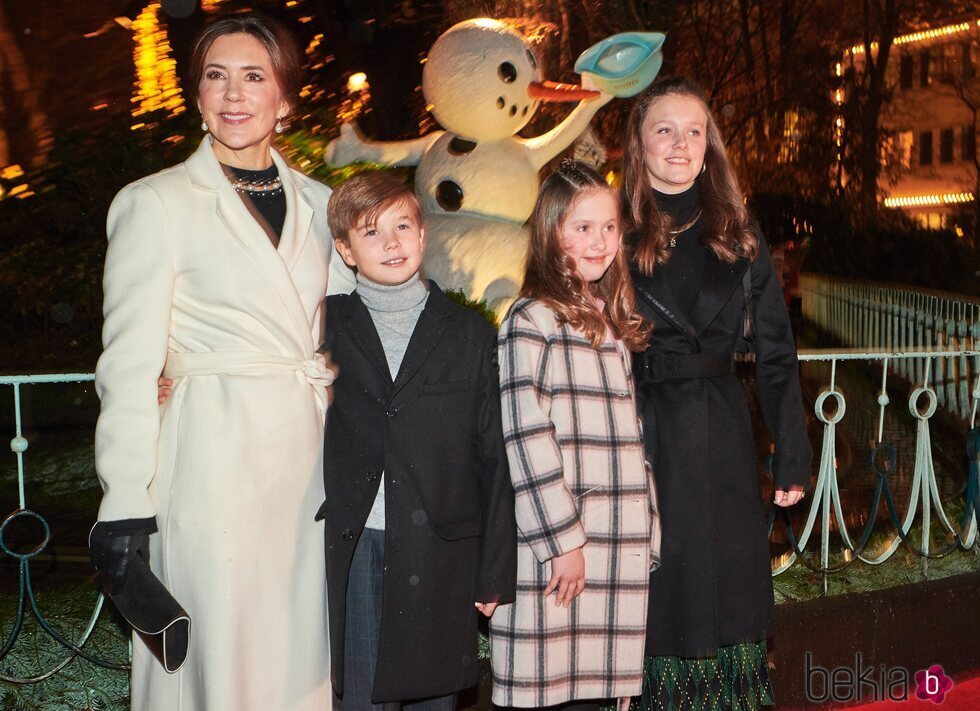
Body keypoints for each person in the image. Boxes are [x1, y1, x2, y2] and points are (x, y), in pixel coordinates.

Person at [88, 13, 352, 710]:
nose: (234, 94)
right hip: (208, 467)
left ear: (285, 98)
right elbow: (126, 366)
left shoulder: (327, 209)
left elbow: (360, 335)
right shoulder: (154, 204)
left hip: (309, 471)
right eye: (216, 76)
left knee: (300, 662)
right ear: (197, 96)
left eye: (254, 77)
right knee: (217, 662)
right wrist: (122, 504)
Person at [621, 77, 812, 710]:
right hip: (640, 436)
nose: (680, 144)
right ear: (640, 143)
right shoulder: (610, 229)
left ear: (711, 144)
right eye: (664, 130)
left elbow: (777, 354)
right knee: (658, 591)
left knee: (727, 588)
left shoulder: (739, 228)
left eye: (694, 131)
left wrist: (792, 452)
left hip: (723, 432)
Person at [319, 170, 517, 710]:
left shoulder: (470, 334)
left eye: (402, 226)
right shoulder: (322, 325)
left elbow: (495, 456)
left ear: (423, 234)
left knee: (434, 698)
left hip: (442, 553)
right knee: (358, 696)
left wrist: (496, 568)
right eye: (371, 232)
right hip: (357, 545)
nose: (391, 244)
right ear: (345, 249)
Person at [490, 160, 662, 711]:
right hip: (564, 549)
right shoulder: (531, 320)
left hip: (615, 540)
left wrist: (649, 524)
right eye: (581, 228)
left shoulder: (608, 320)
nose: (598, 242)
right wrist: (562, 541)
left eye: (608, 227)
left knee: (599, 691)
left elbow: (629, 438)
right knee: (555, 688)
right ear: (550, 232)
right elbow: (525, 437)